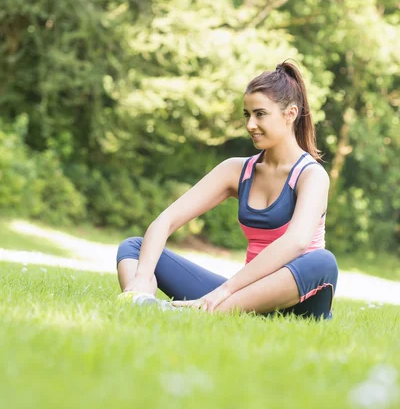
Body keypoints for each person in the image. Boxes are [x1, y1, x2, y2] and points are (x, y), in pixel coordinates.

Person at [116, 61, 339, 320]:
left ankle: (200, 311)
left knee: (323, 261)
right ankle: (143, 302)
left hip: (299, 298)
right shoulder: (237, 171)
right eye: (247, 114)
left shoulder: (311, 175)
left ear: (290, 114)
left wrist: (223, 291)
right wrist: (143, 277)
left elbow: (297, 242)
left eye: (260, 114)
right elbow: (165, 221)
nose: (250, 125)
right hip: (245, 299)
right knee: (134, 248)